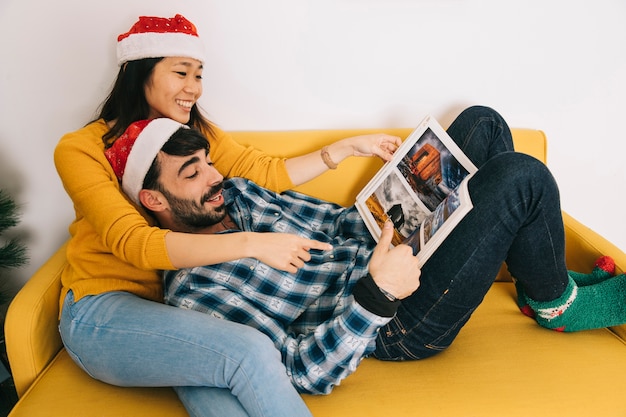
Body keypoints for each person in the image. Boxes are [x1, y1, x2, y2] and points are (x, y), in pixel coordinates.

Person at [104, 110, 626, 395]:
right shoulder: (197, 292)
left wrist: (398, 195)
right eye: (192, 175)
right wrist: (375, 295)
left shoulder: (238, 195)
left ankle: (525, 268)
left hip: (386, 247)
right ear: (153, 200)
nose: (216, 178)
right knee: (522, 176)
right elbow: (301, 370)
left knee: (481, 124)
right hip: (393, 320)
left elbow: (332, 224)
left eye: (208, 161)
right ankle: (557, 304)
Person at [54, 14, 402, 417]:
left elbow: (267, 172)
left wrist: (341, 150)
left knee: (225, 392)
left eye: (199, 74)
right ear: (140, 72)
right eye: (181, 72)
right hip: (105, 309)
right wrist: (255, 243)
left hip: (176, 313)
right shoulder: (81, 148)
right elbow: (135, 243)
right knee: (249, 351)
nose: (194, 88)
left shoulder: (189, 133)